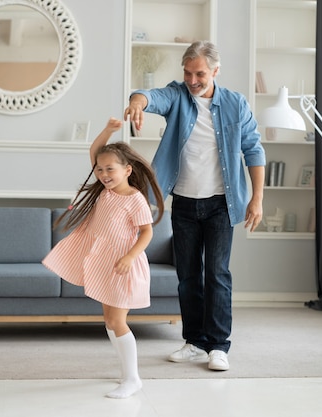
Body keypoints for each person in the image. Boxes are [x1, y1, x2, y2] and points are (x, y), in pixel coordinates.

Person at [123, 41, 265, 372]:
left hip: (221, 204)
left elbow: (254, 150)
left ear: (215, 71)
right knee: (188, 276)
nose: (192, 79)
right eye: (187, 72)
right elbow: (151, 95)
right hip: (184, 203)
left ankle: (218, 345)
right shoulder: (178, 96)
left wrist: (257, 198)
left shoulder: (235, 104)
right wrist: (136, 102)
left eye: (199, 73)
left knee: (217, 274)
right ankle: (194, 342)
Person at [42, 117, 164, 399]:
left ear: (127, 170)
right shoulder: (106, 192)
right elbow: (95, 151)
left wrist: (130, 256)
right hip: (106, 262)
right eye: (100, 169)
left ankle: (133, 378)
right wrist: (109, 131)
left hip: (123, 265)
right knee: (109, 320)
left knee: (117, 321)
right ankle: (126, 373)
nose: (103, 173)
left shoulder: (134, 199)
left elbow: (146, 232)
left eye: (110, 169)